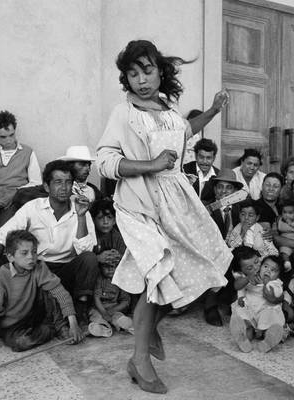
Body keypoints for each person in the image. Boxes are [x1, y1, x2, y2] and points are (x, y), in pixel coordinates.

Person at [95, 40, 231, 394]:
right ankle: (140, 361)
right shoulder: (123, 113)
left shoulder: (168, 108)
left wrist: (214, 110)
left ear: (161, 71)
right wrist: (150, 165)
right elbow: (105, 161)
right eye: (133, 73)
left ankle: (148, 328)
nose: (141, 80)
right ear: (126, 77)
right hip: (140, 204)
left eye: (148, 70)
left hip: (176, 201)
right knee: (158, 276)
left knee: (189, 271)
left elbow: (187, 130)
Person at [0, 160, 100, 324]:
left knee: (89, 258)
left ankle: (80, 310)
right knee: (7, 257)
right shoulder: (33, 207)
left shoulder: (81, 208)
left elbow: (86, 251)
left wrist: (81, 216)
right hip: (37, 270)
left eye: (68, 182)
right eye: (58, 182)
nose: (64, 187)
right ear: (47, 187)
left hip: (67, 268)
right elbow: (2, 237)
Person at [0, 230, 81, 353]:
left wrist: (73, 324)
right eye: (24, 253)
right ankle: (49, 330)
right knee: (21, 343)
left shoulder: (39, 268)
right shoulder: (0, 279)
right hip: (12, 326)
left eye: (34, 252)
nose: (31, 257)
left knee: (51, 289)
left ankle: (60, 326)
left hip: (32, 315)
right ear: (10, 256)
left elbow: (61, 293)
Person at [0, 110, 42, 254]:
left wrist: (16, 193)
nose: (9, 140)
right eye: (3, 137)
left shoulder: (28, 152)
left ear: (15, 130)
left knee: (9, 234)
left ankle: (4, 268)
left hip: (16, 201)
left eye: (12, 135)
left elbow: (36, 182)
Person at [201, 168, 244, 326]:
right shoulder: (206, 208)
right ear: (214, 189)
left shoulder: (241, 209)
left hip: (235, 250)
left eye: (229, 188)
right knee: (217, 260)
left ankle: (235, 302)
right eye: (220, 187)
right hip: (212, 250)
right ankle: (210, 306)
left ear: (235, 191)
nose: (224, 191)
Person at [229, 249, 286, 353]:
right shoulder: (247, 277)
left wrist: (266, 283)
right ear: (242, 271)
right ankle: (243, 339)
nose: (256, 268)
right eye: (250, 268)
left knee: (268, 323)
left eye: (257, 262)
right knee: (245, 320)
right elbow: (237, 286)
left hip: (265, 311)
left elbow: (275, 296)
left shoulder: (275, 282)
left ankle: (267, 341)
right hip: (250, 309)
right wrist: (247, 279)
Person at [88, 259, 133, 338]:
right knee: (96, 316)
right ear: (100, 267)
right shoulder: (99, 279)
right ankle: (102, 328)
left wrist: (114, 310)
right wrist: (104, 313)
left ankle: (123, 323)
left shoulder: (120, 279)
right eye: (106, 266)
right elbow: (96, 298)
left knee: (118, 316)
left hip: (114, 307)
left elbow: (125, 301)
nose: (110, 269)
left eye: (113, 266)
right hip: (99, 308)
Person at [182, 138, 219, 203]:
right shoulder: (184, 171)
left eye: (208, 158)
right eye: (201, 157)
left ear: (214, 158)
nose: (204, 161)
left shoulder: (219, 175)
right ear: (196, 156)